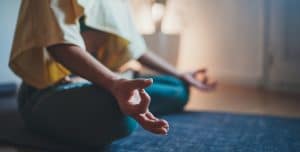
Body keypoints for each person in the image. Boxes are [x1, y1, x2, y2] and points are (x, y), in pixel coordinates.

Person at [9, 0, 216, 148]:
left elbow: (137, 48)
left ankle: (123, 96)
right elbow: (59, 45)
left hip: (101, 83)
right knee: (117, 116)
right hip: (49, 90)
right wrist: (115, 83)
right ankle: (121, 96)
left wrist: (180, 74)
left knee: (179, 88)